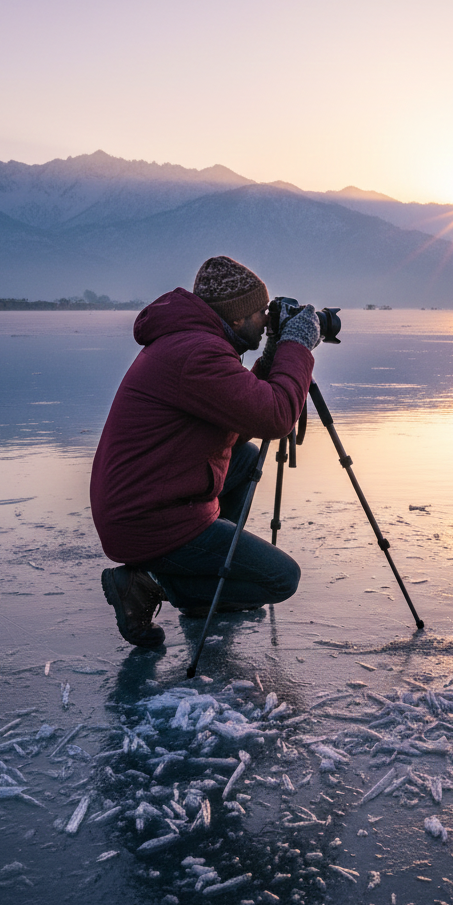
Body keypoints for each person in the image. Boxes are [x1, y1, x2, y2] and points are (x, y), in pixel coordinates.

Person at [90, 255, 321, 647]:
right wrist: (296, 346)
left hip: (146, 496)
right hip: (147, 518)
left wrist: (269, 357)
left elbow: (241, 413)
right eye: (259, 313)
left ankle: (202, 581)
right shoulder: (198, 355)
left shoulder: (194, 344)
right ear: (234, 320)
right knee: (282, 579)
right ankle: (157, 586)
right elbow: (277, 417)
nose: (266, 321)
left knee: (244, 459)